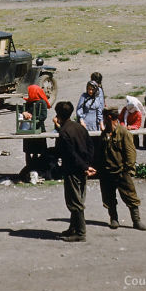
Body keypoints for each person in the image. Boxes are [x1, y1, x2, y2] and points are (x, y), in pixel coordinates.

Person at [94, 108, 146, 231]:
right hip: (107, 172)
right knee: (109, 197)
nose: (104, 119)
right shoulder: (104, 133)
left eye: (105, 117)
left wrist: (128, 169)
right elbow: (100, 152)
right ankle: (114, 219)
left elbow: (130, 152)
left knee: (130, 196)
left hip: (121, 171)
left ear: (110, 118)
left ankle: (136, 220)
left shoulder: (123, 132)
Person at [54, 100, 93, 242]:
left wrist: (84, 166)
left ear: (58, 115)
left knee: (74, 202)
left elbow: (69, 154)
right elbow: (90, 146)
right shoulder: (79, 127)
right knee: (79, 197)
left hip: (72, 169)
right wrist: (88, 165)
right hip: (83, 168)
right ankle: (73, 227)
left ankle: (80, 232)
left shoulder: (64, 132)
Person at [22, 84, 52, 169]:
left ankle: (39, 168)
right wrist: (24, 113)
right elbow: (23, 110)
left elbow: (43, 116)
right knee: (28, 151)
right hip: (28, 129)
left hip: (39, 129)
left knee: (38, 151)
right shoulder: (29, 102)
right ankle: (29, 169)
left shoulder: (42, 102)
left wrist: (32, 117)